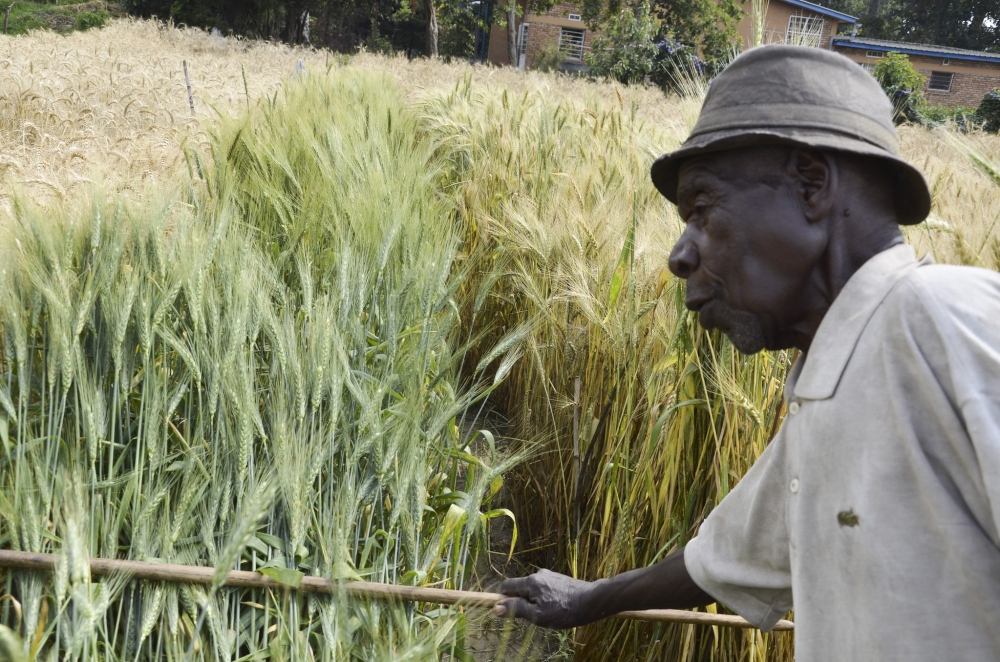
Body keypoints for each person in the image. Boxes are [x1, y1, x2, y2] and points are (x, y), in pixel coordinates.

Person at [494, 45, 1000, 660]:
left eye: (702, 209)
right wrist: (587, 599)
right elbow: (725, 556)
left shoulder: (943, 320)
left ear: (812, 186)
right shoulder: (830, 383)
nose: (679, 255)